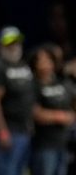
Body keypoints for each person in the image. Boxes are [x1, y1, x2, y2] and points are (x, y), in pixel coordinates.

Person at [0, 26, 35, 175]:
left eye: (16, 42)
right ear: (0, 45)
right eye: (9, 43)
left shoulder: (23, 65)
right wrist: (2, 132)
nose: (14, 46)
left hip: (24, 131)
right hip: (8, 132)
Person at [29, 46, 74, 175]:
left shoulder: (61, 82)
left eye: (48, 60)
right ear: (34, 64)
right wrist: (60, 116)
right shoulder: (33, 85)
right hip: (43, 144)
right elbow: (35, 113)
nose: (45, 65)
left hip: (62, 142)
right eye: (41, 61)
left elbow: (72, 106)